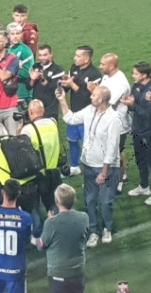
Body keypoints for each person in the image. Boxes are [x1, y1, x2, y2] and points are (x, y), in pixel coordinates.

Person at [58, 85, 121, 247]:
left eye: (93, 95)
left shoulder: (113, 118)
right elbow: (70, 119)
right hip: (89, 164)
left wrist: (104, 171)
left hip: (106, 167)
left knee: (105, 201)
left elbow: (112, 147)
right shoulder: (89, 110)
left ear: (101, 99)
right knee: (90, 200)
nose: (90, 97)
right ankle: (94, 231)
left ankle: (108, 228)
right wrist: (62, 100)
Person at [121, 61, 151, 205]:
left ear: (144, 75)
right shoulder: (137, 86)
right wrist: (130, 103)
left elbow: (148, 114)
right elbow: (135, 105)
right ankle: (144, 186)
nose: (133, 75)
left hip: (148, 132)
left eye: (135, 73)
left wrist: (132, 105)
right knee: (140, 159)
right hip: (138, 129)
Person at [20, 99, 62, 238]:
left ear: (30, 112)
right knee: (53, 202)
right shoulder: (53, 123)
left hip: (37, 174)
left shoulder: (28, 129)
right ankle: (57, 228)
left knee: (34, 205)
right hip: (54, 170)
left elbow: (21, 148)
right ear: (43, 111)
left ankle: (37, 233)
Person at [37, 184, 90, 293]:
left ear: (57, 201)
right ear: (74, 200)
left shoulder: (51, 223)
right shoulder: (84, 217)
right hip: (77, 272)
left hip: (58, 274)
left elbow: (41, 246)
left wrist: (50, 221)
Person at [59, 46, 102, 176]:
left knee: (88, 144)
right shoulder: (74, 68)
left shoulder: (95, 75)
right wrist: (66, 85)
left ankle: (91, 169)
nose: (75, 58)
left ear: (86, 58)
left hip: (88, 115)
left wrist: (73, 85)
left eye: (78, 56)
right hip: (74, 112)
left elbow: (89, 97)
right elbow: (70, 87)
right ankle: (74, 167)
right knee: (72, 140)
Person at [92, 53, 131, 193]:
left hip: (118, 125)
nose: (100, 66)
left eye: (103, 64)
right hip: (106, 121)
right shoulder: (107, 76)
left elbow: (107, 101)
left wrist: (94, 91)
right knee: (108, 152)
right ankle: (117, 175)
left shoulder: (120, 82)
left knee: (115, 154)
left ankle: (119, 180)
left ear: (112, 65)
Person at [0, 179, 33, 293]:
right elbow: (28, 238)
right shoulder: (25, 218)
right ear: (18, 194)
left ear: (3, 192)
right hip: (16, 269)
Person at [28, 44, 65, 119]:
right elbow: (28, 87)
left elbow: (54, 88)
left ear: (51, 54)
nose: (42, 58)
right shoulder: (35, 67)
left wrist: (42, 78)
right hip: (36, 109)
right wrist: (32, 79)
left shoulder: (58, 70)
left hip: (50, 110)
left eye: (45, 55)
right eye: (40, 55)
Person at [7, 22, 34, 105]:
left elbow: (27, 73)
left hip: (23, 92)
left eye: (18, 33)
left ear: (21, 34)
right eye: (12, 34)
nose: (15, 36)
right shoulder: (8, 49)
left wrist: (9, 73)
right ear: (8, 35)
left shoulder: (25, 50)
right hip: (11, 90)